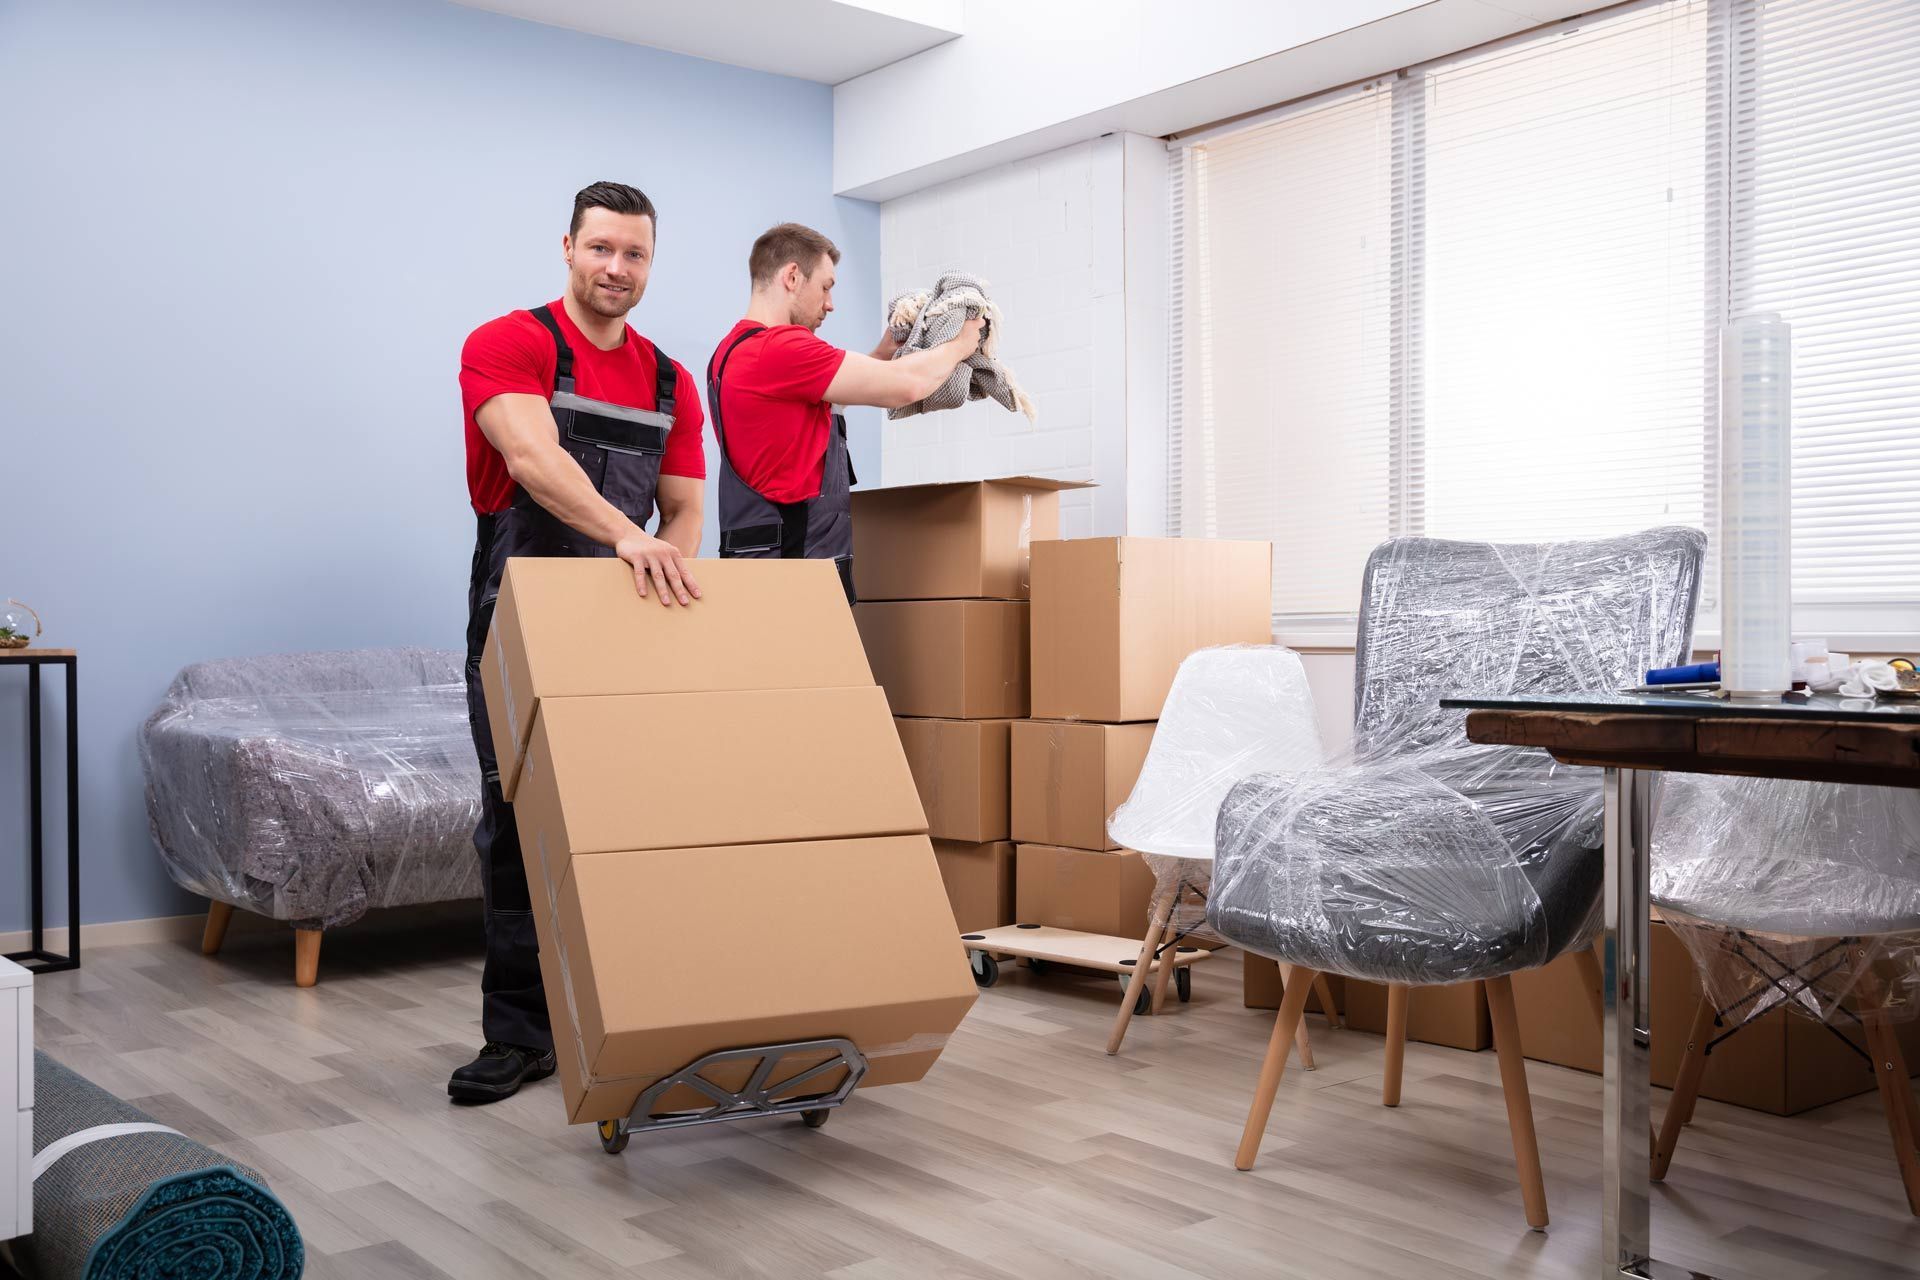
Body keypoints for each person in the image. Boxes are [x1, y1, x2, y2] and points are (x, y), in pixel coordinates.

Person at [449, 181, 705, 1103]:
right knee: (516, 825)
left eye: (634, 254)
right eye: (601, 248)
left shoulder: (671, 379)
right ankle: (520, 1036)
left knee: (632, 818)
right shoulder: (510, 343)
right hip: (516, 615)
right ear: (567, 247)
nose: (617, 268)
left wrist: (663, 582)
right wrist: (627, 537)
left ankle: (637, 1013)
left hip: (623, 620)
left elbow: (681, 513)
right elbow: (533, 460)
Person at [707, 223, 982, 600]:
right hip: (794, 580)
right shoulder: (781, 348)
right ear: (791, 277)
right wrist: (962, 343)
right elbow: (906, 386)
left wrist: (884, 352)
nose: (830, 303)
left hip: (761, 569)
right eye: (825, 286)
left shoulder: (731, 351)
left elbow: (830, 395)